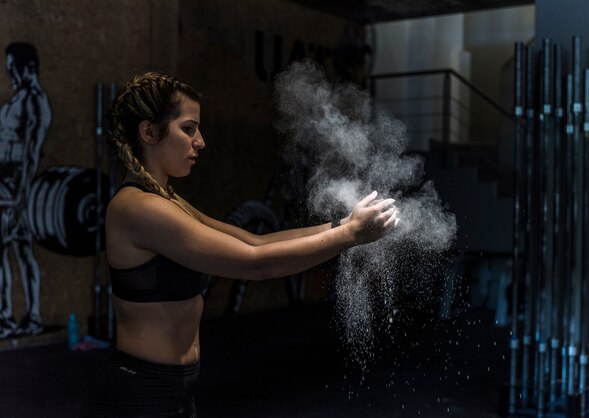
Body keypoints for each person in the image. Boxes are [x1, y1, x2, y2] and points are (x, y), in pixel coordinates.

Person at [80, 71, 398, 417]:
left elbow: (253, 240)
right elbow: (254, 262)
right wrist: (351, 235)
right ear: (149, 132)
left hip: (174, 390)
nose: (199, 141)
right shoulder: (139, 207)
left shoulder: (167, 200)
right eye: (188, 129)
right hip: (140, 395)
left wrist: (343, 224)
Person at [0, 42, 51, 337]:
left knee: (17, 251)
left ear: (29, 68)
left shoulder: (33, 101)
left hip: (17, 192)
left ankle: (13, 317)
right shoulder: (18, 99)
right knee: (19, 251)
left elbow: (31, 152)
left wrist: (22, 196)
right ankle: (20, 316)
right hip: (7, 191)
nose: (10, 74)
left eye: (13, 69)